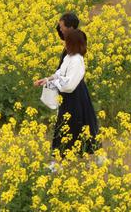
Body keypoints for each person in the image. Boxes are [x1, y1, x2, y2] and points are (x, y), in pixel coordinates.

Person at [35, 28, 99, 161]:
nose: (65, 44)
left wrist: (56, 83)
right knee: (65, 127)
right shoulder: (69, 57)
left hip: (75, 99)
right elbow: (60, 73)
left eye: (68, 42)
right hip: (67, 98)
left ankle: (65, 160)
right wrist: (47, 80)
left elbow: (69, 85)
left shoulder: (77, 60)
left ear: (74, 43)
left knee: (75, 128)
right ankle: (61, 159)